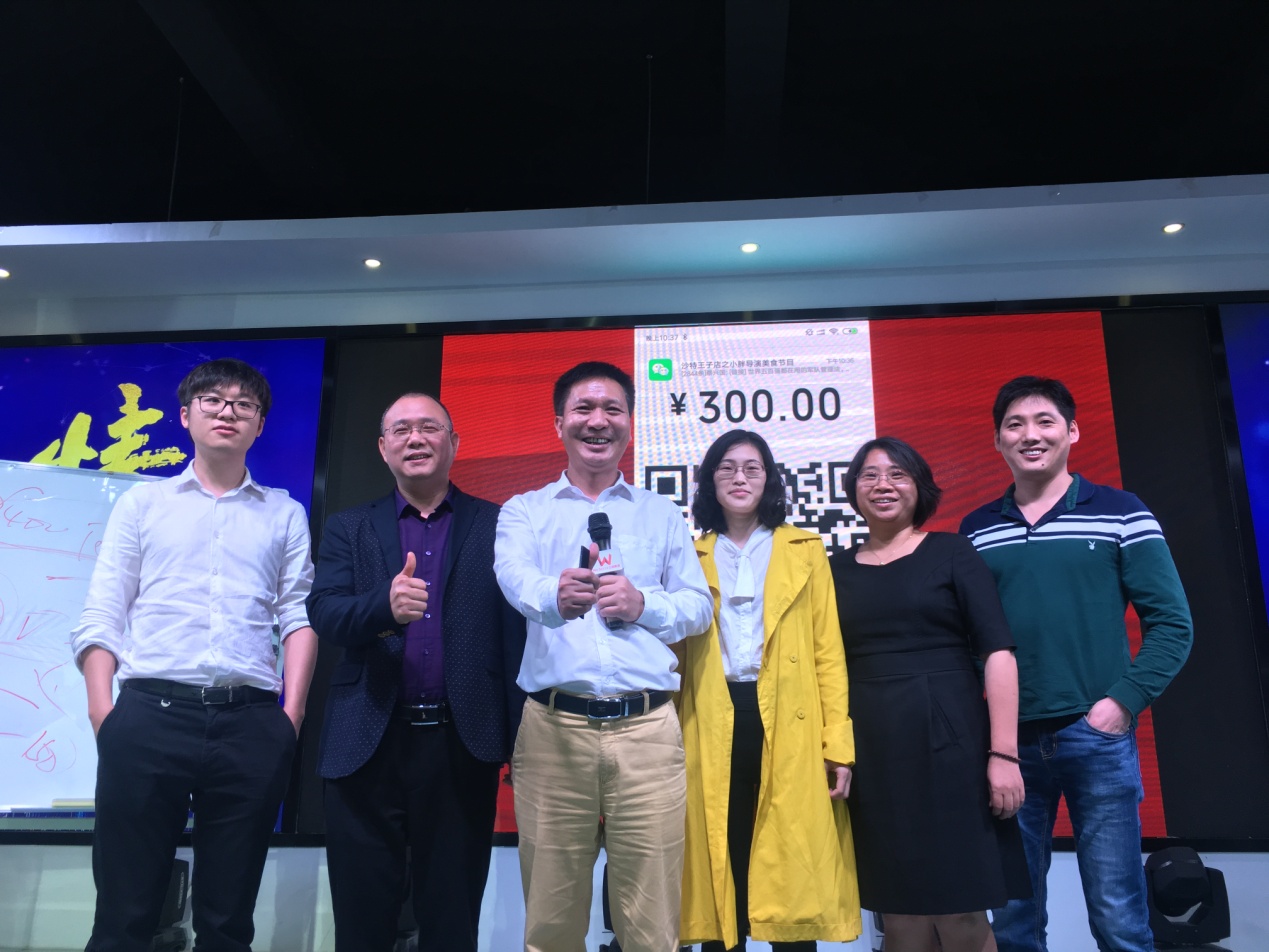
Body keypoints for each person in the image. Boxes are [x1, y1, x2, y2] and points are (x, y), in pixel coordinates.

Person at [70, 357, 318, 952]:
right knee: (124, 915)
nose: (228, 411)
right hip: (147, 717)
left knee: (228, 920)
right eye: (213, 400)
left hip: (250, 723)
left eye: (244, 404)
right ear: (186, 416)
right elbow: (102, 613)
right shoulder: (143, 503)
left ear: (260, 424)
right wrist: (104, 713)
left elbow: (298, 617)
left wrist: (290, 717)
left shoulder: (284, 512)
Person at [960, 377, 1193, 952]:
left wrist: (1121, 704)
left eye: (1045, 421)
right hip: (1008, 746)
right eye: (1015, 424)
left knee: (1119, 919)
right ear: (997, 440)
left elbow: (1172, 624)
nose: (1030, 435)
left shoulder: (1122, 512)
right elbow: (967, 641)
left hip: (1097, 738)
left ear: (1072, 431)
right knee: (1013, 922)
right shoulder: (976, 530)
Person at [493, 361, 713, 952]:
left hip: (648, 731)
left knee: (653, 923)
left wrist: (643, 604)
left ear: (631, 425)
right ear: (558, 423)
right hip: (553, 730)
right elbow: (515, 579)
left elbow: (697, 606)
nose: (598, 421)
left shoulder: (660, 512)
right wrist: (553, 597)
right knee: (551, 920)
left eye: (612, 409)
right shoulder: (524, 510)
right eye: (584, 409)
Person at [306, 392, 526, 952]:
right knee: (362, 920)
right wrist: (382, 606)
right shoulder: (349, 526)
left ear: (454, 443)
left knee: (452, 916)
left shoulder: (498, 525)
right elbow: (324, 613)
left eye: (429, 427)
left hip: (461, 744)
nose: (415, 438)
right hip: (367, 742)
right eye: (401, 430)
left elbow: (515, 639)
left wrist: (517, 743)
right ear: (383, 448)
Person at [830, 436, 1030, 952]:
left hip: (951, 745)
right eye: (870, 475)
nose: (883, 485)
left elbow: (999, 653)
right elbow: (823, 667)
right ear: (853, 489)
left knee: (962, 912)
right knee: (899, 916)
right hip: (873, 750)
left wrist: (1004, 755)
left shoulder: (952, 552)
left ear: (920, 487)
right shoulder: (832, 569)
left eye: (897, 474)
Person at [677, 430, 861, 952]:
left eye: (752, 468)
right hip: (710, 714)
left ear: (769, 479)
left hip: (789, 713)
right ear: (710, 481)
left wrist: (837, 743)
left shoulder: (805, 548)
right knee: (719, 848)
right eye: (727, 467)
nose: (740, 477)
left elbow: (828, 652)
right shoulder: (689, 554)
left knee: (791, 858)